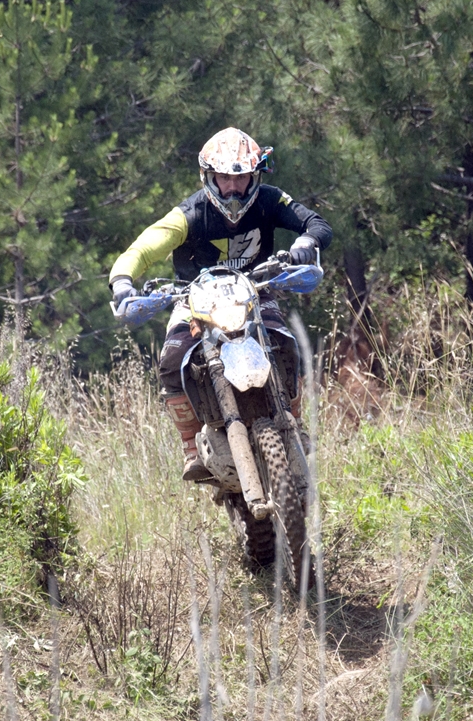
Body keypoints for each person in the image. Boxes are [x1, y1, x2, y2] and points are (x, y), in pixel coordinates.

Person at [109, 127, 333, 481]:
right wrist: (123, 281)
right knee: (171, 361)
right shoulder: (190, 213)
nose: (232, 187)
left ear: (254, 176)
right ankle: (190, 445)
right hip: (193, 300)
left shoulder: (270, 200)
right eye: (224, 178)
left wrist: (306, 241)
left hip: (255, 290)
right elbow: (143, 247)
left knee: (287, 345)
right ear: (208, 177)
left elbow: (316, 223)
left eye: (241, 178)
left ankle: (293, 421)